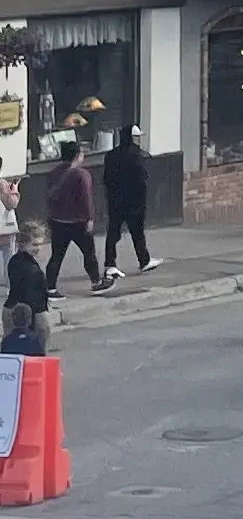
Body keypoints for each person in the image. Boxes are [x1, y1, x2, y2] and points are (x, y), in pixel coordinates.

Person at [44, 141, 113, 297]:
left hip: (58, 221)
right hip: (78, 222)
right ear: (77, 155)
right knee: (89, 253)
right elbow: (86, 198)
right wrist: (89, 218)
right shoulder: (81, 174)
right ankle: (96, 282)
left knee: (56, 255)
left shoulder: (53, 172)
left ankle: (50, 288)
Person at [101, 123, 160, 276]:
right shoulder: (138, 155)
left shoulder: (111, 155)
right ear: (132, 138)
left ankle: (110, 263)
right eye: (137, 137)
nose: (139, 140)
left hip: (115, 200)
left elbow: (107, 178)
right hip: (134, 201)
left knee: (113, 232)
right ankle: (144, 260)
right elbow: (142, 179)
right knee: (137, 232)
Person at [4, 221, 49, 349]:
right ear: (22, 244)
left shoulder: (14, 261)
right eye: (34, 244)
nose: (38, 248)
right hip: (29, 314)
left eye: (40, 244)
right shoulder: (31, 269)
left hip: (12, 308)